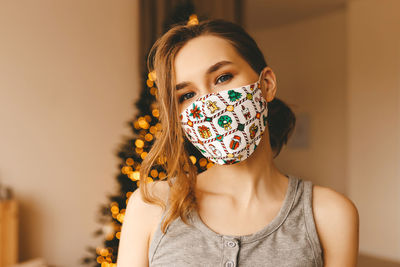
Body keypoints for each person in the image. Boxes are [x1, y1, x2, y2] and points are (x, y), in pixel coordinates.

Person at [117, 19, 359, 267]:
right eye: (187, 95)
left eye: (222, 78)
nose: (209, 102)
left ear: (266, 84)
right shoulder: (151, 206)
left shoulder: (329, 214)